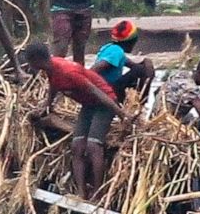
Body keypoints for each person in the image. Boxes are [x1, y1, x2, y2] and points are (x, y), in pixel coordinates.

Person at [25, 42, 129, 199]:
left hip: (104, 103)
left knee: (93, 145)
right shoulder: (51, 68)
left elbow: (96, 91)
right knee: (77, 145)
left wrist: (121, 113)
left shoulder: (68, 71)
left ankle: (97, 191)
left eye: (30, 61)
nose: (29, 65)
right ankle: (81, 193)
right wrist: (48, 105)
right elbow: (54, 85)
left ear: (37, 60)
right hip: (88, 104)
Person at [152, 58, 200, 138]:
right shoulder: (193, 91)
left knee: (189, 116)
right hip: (170, 126)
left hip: (155, 120)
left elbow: (157, 91)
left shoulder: (181, 75)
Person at [90, 20, 155, 105]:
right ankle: (142, 101)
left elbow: (131, 64)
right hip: (108, 89)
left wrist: (147, 63)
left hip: (108, 87)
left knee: (144, 66)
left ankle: (139, 101)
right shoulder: (117, 51)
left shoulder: (110, 47)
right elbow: (94, 69)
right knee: (141, 69)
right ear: (130, 42)